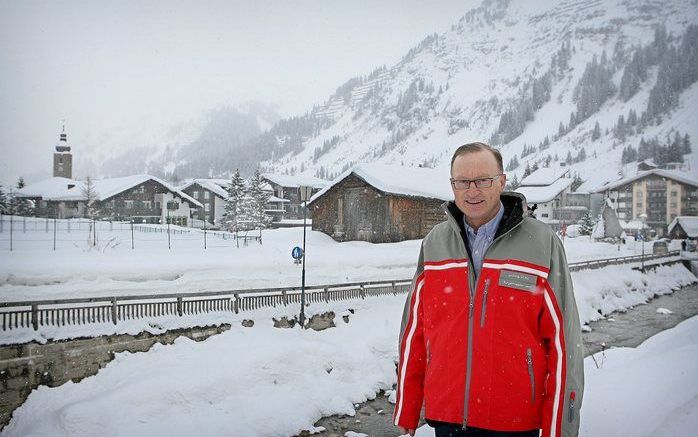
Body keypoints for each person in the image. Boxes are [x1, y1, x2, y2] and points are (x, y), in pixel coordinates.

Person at [393, 142, 584, 437]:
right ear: (452, 185)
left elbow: (564, 344)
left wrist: (560, 428)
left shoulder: (541, 244)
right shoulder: (435, 242)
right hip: (448, 419)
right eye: (462, 182)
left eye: (483, 180)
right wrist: (407, 405)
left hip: (516, 422)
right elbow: (414, 332)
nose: (472, 191)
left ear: (502, 181)